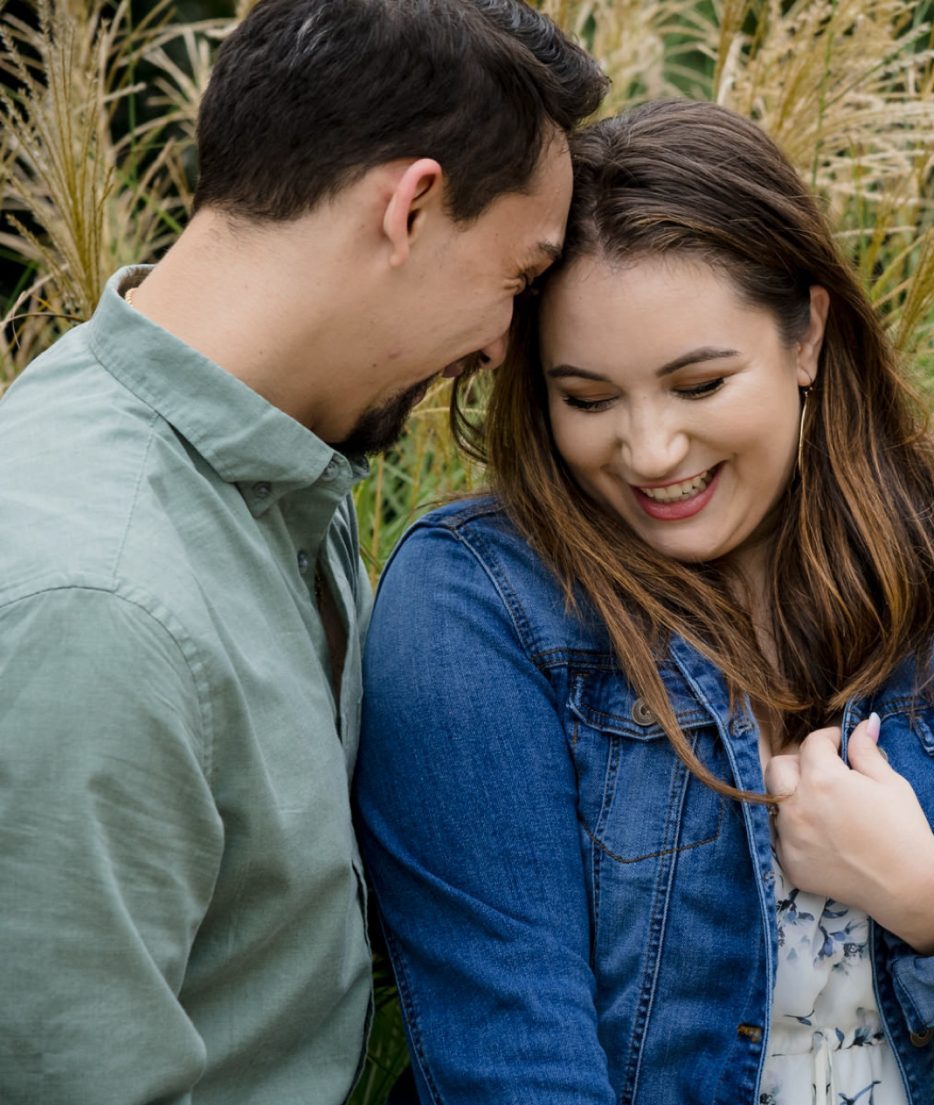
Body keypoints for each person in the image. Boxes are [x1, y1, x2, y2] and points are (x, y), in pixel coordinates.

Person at [355, 99, 934, 1104]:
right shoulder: (477, 604)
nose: (650, 452)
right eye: (589, 399)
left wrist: (928, 894)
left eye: (698, 385)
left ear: (806, 337)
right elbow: (509, 1057)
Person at [0, 2, 606, 1101]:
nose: (502, 345)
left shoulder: (278, 462)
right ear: (411, 207)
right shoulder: (97, 608)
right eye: (517, 278)